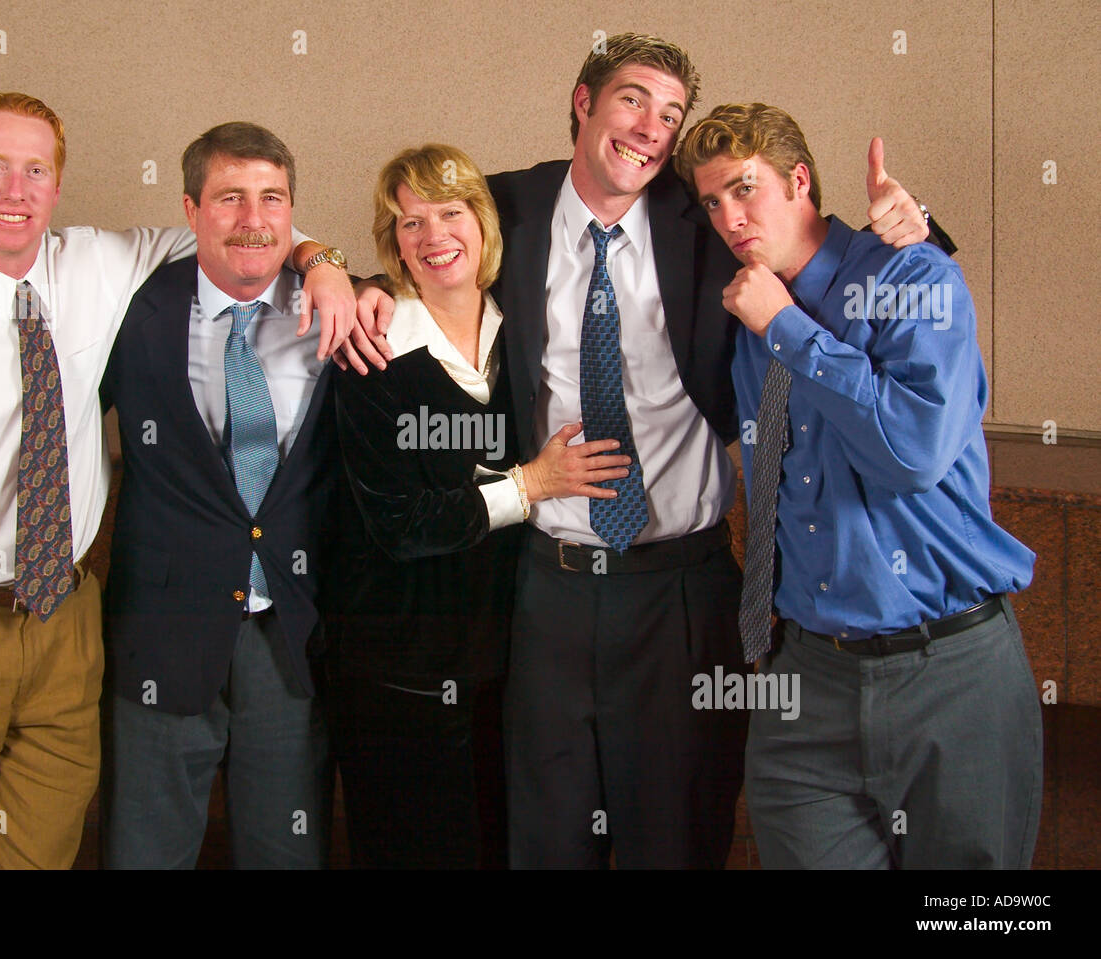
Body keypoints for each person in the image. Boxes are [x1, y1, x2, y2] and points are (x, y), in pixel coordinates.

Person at [357, 32, 936, 868]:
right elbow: (418, 250)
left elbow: (819, 259)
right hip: (547, 587)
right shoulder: (505, 208)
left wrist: (910, 235)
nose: (651, 128)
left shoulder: (706, 220)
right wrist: (336, 270)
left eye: (670, 114)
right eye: (633, 100)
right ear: (583, 101)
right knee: (546, 841)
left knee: (675, 837)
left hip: (682, 591)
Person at [0, 93, 354, 869]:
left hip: (68, 619)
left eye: (36, 170)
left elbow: (247, 233)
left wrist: (325, 264)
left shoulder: (99, 266)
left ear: (57, 185)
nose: (16, 189)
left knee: (40, 854)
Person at [674, 101, 1040, 868]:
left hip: (953, 673)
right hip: (805, 680)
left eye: (745, 189)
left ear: (799, 180)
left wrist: (790, 329)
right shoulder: (749, 306)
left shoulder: (912, 274)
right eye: (713, 202)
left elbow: (910, 451)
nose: (730, 217)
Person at [326, 144, 631, 868]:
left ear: (483, 223)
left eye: (450, 213)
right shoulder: (372, 351)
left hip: (509, 667)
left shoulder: (524, 332)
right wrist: (529, 484)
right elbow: (400, 526)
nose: (433, 237)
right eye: (410, 222)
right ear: (392, 242)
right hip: (395, 673)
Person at [100, 122, 348, 869]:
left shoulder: (340, 307)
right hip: (163, 632)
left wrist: (327, 262)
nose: (254, 218)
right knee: (145, 850)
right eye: (230, 197)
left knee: (286, 849)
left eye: (273, 198)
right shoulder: (129, 308)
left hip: (293, 636)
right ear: (190, 208)